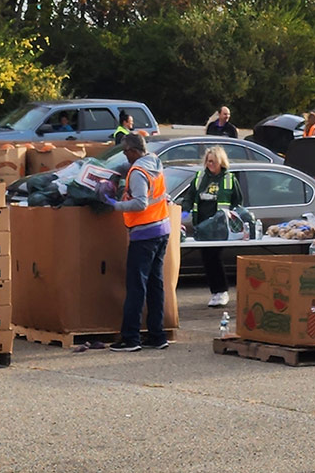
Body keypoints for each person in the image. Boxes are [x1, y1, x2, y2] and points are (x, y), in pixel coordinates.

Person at [105, 134, 173, 351]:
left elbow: (141, 203)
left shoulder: (138, 172)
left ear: (134, 151)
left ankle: (131, 338)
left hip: (144, 234)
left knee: (136, 286)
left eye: (125, 151)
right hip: (162, 229)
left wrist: (114, 205)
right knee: (155, 285)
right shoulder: (155, 164)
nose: (125, 155)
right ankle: (157, 335)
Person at [180, 146, 244, 307]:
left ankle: (221, 291)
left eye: (213, 161)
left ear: (221, 162)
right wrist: (185, 211)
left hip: (220, 228)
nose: (210, 164)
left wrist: (234, 219)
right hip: (201, 227)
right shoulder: (200, 177)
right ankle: (215, 292)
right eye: (208, 161)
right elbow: (190, 196)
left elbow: (237, 201)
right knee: (206, 259)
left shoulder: (229, 179)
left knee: (214, 257)